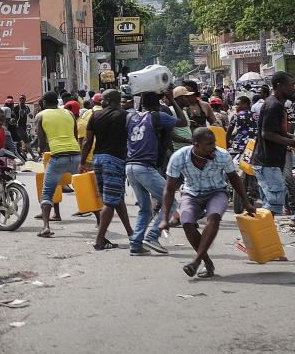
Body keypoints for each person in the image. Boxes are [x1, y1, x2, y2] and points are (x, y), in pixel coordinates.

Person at [160, 127, 257, 278]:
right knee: (187, 223)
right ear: (196, 144)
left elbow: (234, 178)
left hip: (216, 192)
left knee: (214, 217)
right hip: (191, 193)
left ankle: (196, 261)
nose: (213, 147)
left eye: (214, 142)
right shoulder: (179, 157)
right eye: (209, 144)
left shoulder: (222, 155)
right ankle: (207, 262)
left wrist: (246, 202)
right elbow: (169, 188)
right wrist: (165, 218)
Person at [125, 90, 187, 255]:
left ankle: (136, 243)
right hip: (145, 167)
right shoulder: (157, 116)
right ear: (157, 104)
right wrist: (172, 101)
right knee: (171, 203)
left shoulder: (131, 117)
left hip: (130, 166)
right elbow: (182, 122)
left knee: (145, 208)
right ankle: (152, 236)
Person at [79, 89, 134, 251]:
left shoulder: (95, 116)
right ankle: (99, 240)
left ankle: (131, 234)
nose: (100, 102)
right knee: (110, 201)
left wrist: (82, 162)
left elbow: (87, 142)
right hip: (115, 160)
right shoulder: (125, 116)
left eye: (102, 99)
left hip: (98, 160)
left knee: (115, 198)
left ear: (109, 100)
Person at [36, 91, 79, 238]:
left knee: (47, 191)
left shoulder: (41, 116)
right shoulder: (69, 113)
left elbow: (41, 143)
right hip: (75, 154)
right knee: (85, 187)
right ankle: (100, 220)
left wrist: (43, 150)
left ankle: (46, 227)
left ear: (43, 103)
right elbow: (75, 135)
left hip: (57, 156)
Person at [251, 72, 295, 216]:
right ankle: (250, 237)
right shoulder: (274, 105)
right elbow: (267, 134)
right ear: (279, 86)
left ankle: (258, 237)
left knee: (269, 205)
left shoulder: (276, 104)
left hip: (268, 162)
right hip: (267, 162)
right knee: (274, 204)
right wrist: (291, 141)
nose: (293, 88)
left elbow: (277, 131)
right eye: (291, 85)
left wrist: (290, 137)